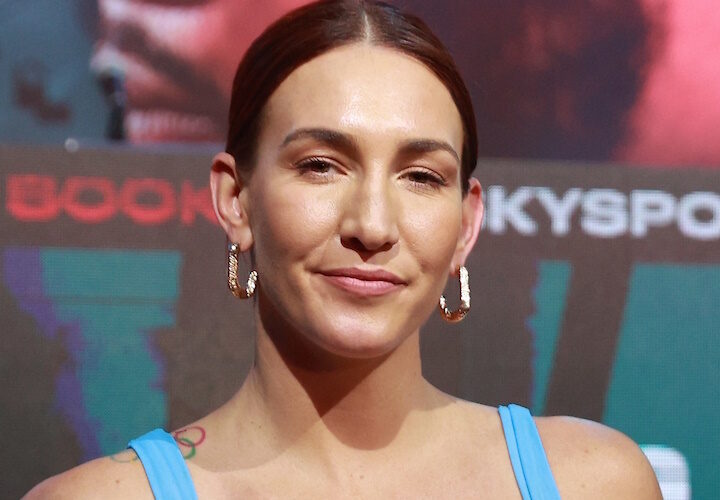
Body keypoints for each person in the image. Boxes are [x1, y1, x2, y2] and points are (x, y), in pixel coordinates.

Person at [27, 1, 662, 497]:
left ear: (467, 224)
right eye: (321, 166)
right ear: (235, 199)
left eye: (421, 176)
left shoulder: (594, 482)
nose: (372, 225)